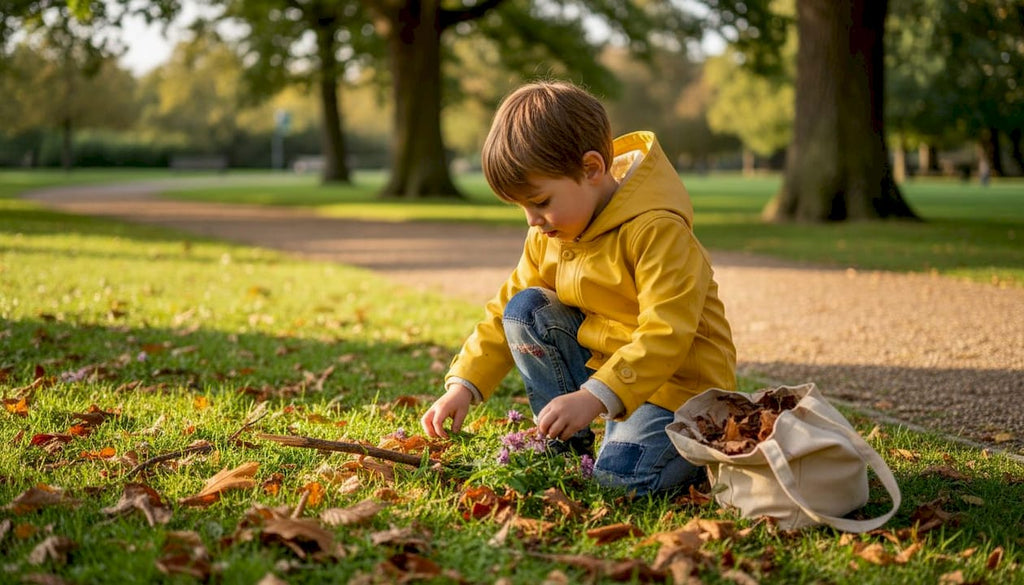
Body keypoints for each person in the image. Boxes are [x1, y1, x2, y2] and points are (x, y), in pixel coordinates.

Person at [420, 81, 737, 496]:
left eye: (540, 201)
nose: (532, 220)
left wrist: (593, 397)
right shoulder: (550, 233)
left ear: (591, 169)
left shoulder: (657, 230)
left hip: (679, 391)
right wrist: (463, 384)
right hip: (608, 379)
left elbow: (667, 334)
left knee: (620, 483)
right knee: (526, 309)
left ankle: (696, 452)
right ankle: (565, 444)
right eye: (522, 207)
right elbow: (504, 310)